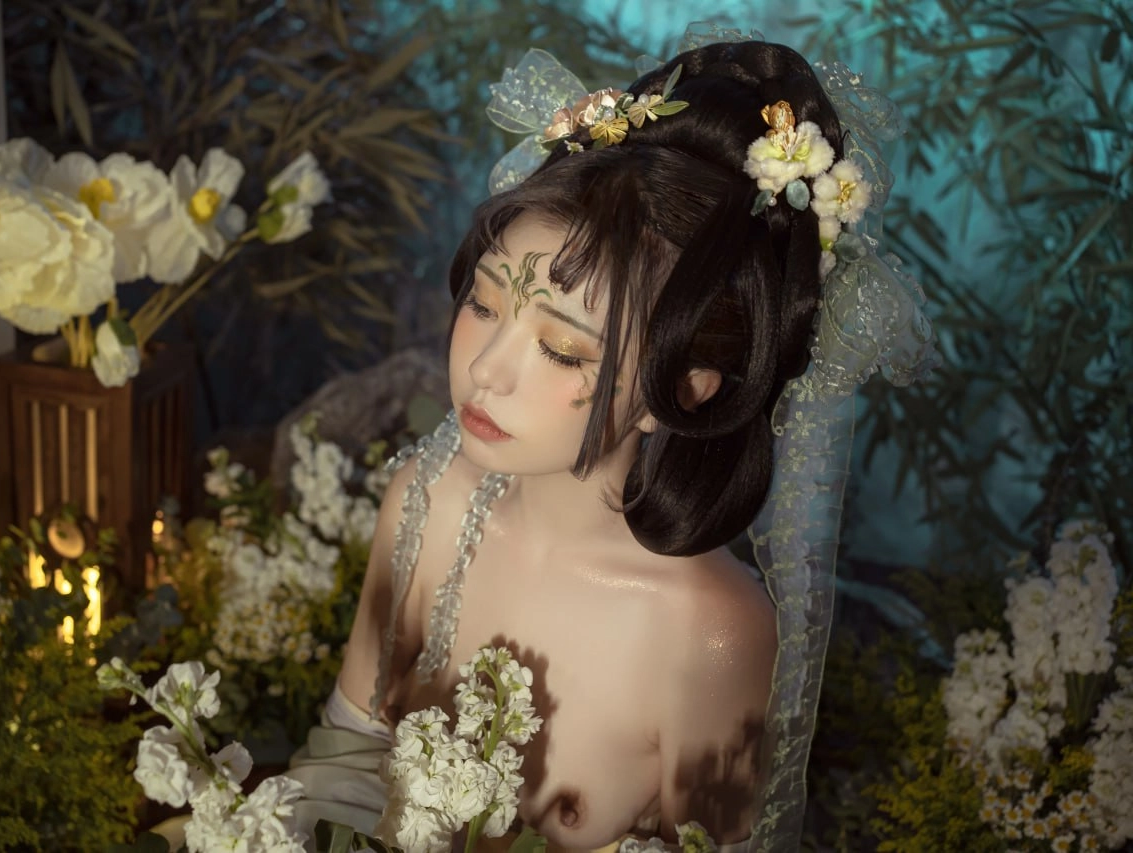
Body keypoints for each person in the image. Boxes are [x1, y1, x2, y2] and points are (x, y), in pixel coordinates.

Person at [286, 31, 935, 852]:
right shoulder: (425, 503)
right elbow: (343, 759)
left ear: (685, 388)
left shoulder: (710, 632)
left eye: (563, 349)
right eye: (484, 303)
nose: (485, 370)